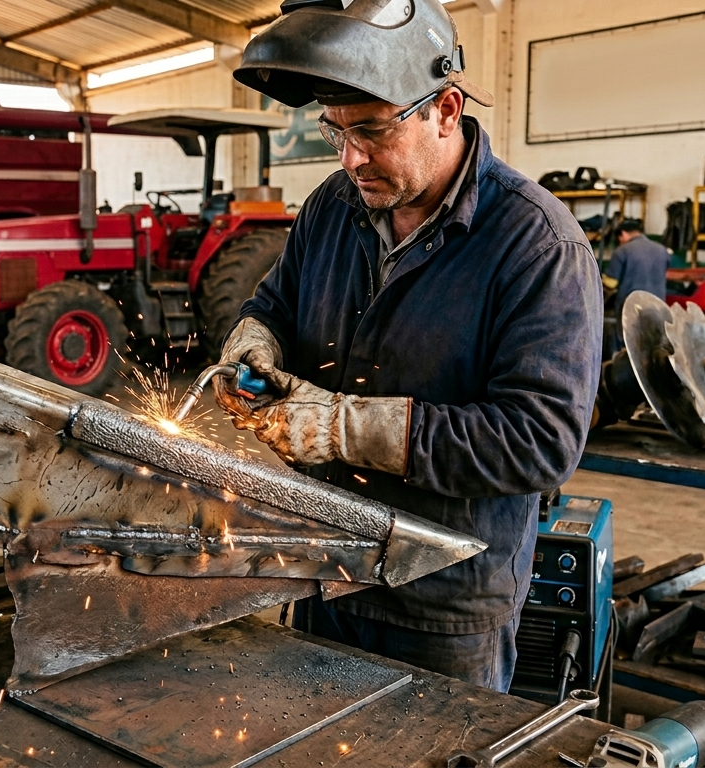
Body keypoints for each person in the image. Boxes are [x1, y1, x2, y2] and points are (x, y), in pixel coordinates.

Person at [213, 0, 603, 692]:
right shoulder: (332, 207)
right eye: (336, 131)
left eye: (371, 130)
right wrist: (254, 342)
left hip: (443, 609)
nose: (351, 158)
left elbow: (540, 441)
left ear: (445, 110)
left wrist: (342, 428)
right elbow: (273, 303)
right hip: (323, 571)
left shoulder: (538, 246)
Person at [607, 219, 671, 315]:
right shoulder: (662, 250)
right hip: (658, 305)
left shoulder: (622, 251)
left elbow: (610, 283)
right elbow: (665, 272)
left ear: (623, 233)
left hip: (631, 306)